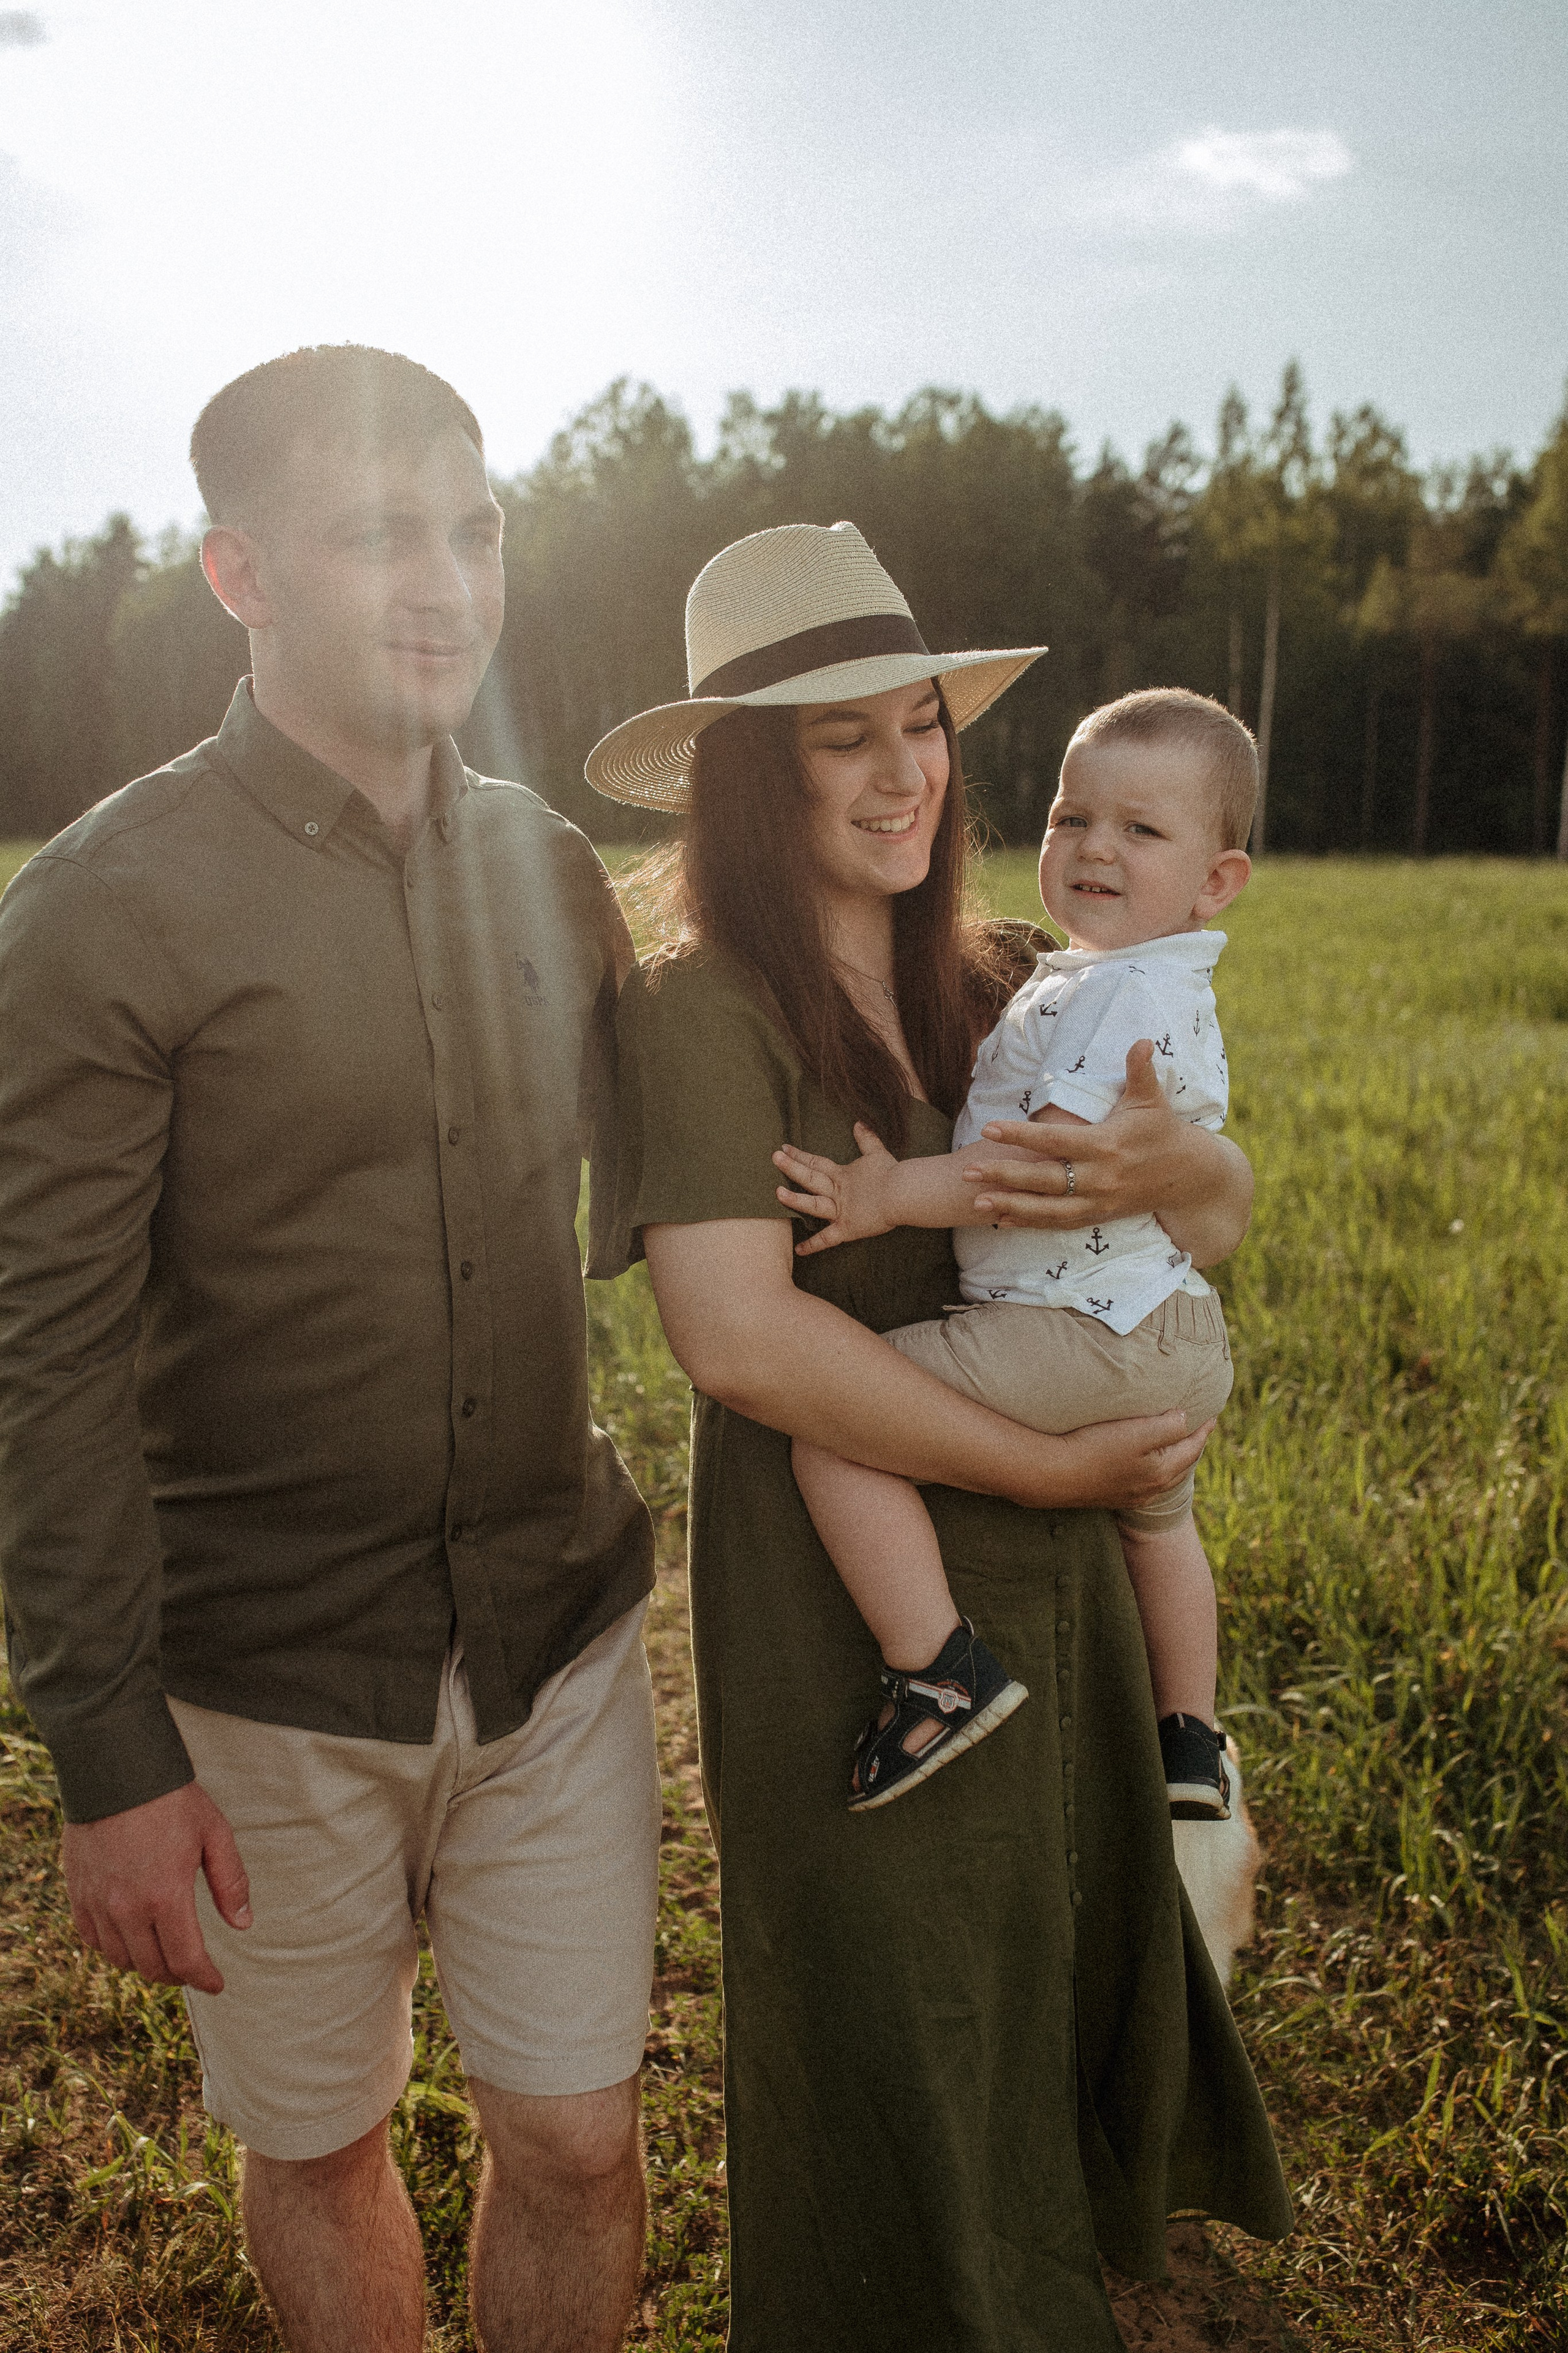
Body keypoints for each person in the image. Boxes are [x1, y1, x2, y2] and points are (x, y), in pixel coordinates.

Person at [0, 345, 660, 2353]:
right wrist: (105, 1751)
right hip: (264, 1684)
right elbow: (42, 1363)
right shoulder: (105, 910)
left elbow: (767, 1110)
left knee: (577, 2140)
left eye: (474, 531)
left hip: (557, 1644)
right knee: (325, 2143)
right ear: (240, 575)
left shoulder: (549, 867)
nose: (448, 583)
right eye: (385, 534)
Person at [586, 520, 1292, 2351]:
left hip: (1053, 1588)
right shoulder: (702, 1007)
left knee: (1042, 1982)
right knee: (891, 2017)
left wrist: (1203, 1169)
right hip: (857, 1612)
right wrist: (1060, 1465)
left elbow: (1199, 1209)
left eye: (921, 725)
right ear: (753, 775)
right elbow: (742, 1341)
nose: (904, 775)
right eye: (845, 738)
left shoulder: (1009, 975)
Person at [771, 687, 1253, 1820]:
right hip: (1164, 1320)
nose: (1093, 847)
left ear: (1216, 881)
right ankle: (1192, 1739)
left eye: (1140, 830)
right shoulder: (1097, 974)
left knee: (842, 1427)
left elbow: (1033, 1177)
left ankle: (937, 1667)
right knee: (1163, 1525)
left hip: (1082, 1324)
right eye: (1068, 816)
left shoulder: (1122, 992)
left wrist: (886, 1194)